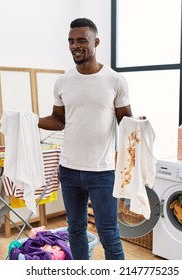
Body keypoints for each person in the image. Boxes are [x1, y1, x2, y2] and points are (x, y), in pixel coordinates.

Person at [38, 18, 132, 260]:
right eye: (71, 41)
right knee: (75, 230)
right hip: (69, 170)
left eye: (81, 40)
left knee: (108, 232)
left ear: (96, 42)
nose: (75, 46)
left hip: (102, 171)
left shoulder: (115, 80)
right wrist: (30, 119)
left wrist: (139, 125)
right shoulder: (63, 81)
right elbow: (58, 120)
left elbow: (126, 121)